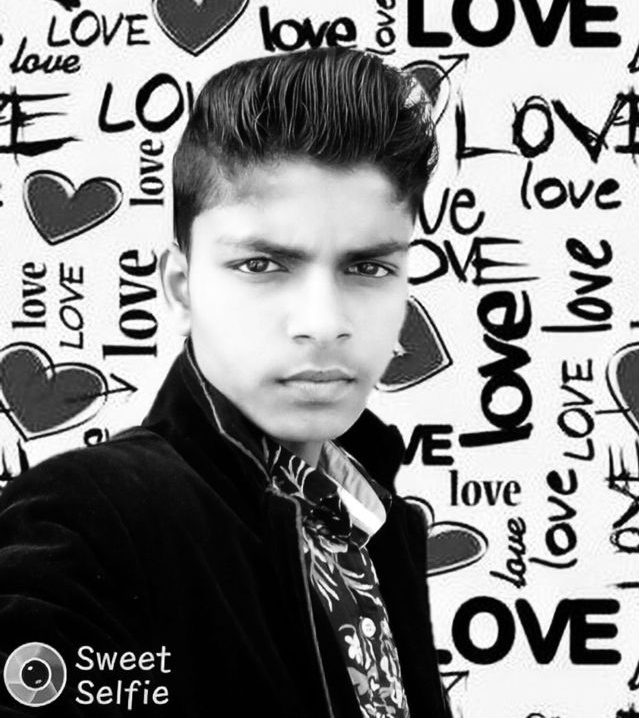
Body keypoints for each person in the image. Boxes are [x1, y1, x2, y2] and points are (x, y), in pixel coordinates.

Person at [0, 48, 452, 717]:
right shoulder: (86, 519)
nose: (322, 323)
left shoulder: (376, 520)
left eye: (368, 268)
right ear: (182, 287)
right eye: (263, 265)